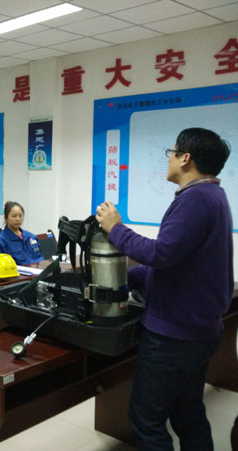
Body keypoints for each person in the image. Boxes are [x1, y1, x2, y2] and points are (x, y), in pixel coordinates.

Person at [95, 128, 233, 451]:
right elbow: (179, 263)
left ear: (185, 158)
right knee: (188, 413)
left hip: (174, 336)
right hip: (199, 330)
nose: (168, 159)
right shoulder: (213, 195)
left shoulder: (195, 199)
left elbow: (162, 254)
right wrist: (131, 278)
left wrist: (116, 229)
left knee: (147, 420)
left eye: (171, 153)